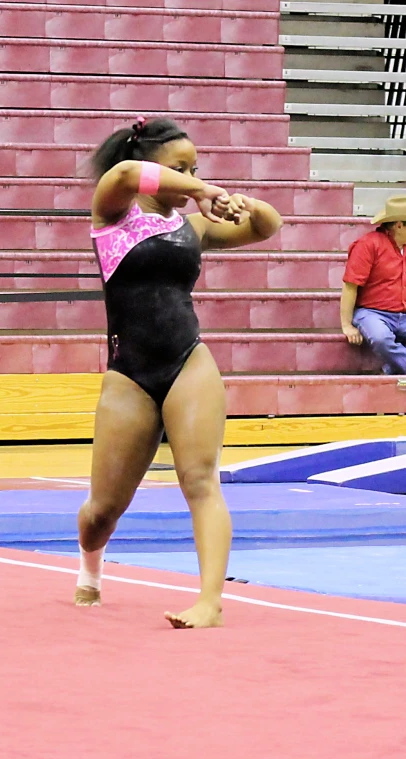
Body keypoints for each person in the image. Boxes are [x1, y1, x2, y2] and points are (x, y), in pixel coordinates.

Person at [74, 116, 283, 628]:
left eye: (196, 166)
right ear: (152, 168)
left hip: (188, 360)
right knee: (101, 510)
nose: (191, 176)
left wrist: (243, 204)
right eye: (179, 169)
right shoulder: (111, 216)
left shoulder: (193, 228)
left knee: (201, 480)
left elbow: (267, 227)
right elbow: (125, 176)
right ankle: (90, 569)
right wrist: (203, 187)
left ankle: (209, 601)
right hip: (129, 374)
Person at [341, 195, 406, 374]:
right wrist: (347, 325)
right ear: (399, 225)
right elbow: (350, 285)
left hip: (404, 314)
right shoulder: (368, 244)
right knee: (381, 339)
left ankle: (391, 370)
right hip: (372, 313)